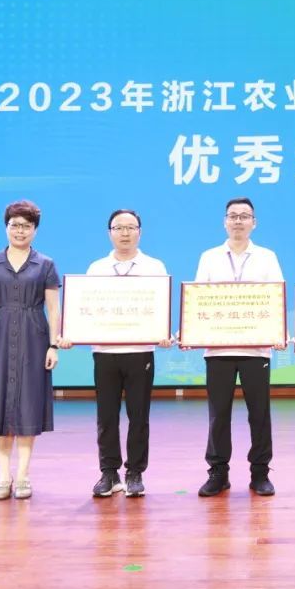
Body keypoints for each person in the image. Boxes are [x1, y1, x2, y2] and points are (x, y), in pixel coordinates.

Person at [58, 209, 172, 499]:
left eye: (130, 227)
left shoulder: (154, 266)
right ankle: (109, 473)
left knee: (139, 415)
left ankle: (135, 473)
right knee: (106, 415)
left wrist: (162, 333)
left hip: (140, 351)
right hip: (105, 352)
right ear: (109, 232)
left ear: (140, 232)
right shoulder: (96, 268)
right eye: (118, 227)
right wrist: (72, 335)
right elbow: (85, 310)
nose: (125, 233)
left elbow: (160, 309)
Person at [193, 197, 284, 497]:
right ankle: (218, 472)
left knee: (259, 413)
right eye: (233, 216)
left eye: (244, 216)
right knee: (218, 414)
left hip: (256, 350)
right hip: (218, 350)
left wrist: (277, 332)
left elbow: (276, 299)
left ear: (254, 223)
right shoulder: (209, 257)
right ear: (224, 222)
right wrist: (192, 332)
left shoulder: (267, 257)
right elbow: (198, 299)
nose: (238, 221)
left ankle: (260, 473)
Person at [0, 200, 61, 500]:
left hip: (34, 337)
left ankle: (22, 475)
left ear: (35, 229)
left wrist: (53, 345)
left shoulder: (45, 264)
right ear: (6, 227)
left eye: (26, 226)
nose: (20, 231)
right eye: (14, 225)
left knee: (27, 405)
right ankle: (3, 476)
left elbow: (53, 308)